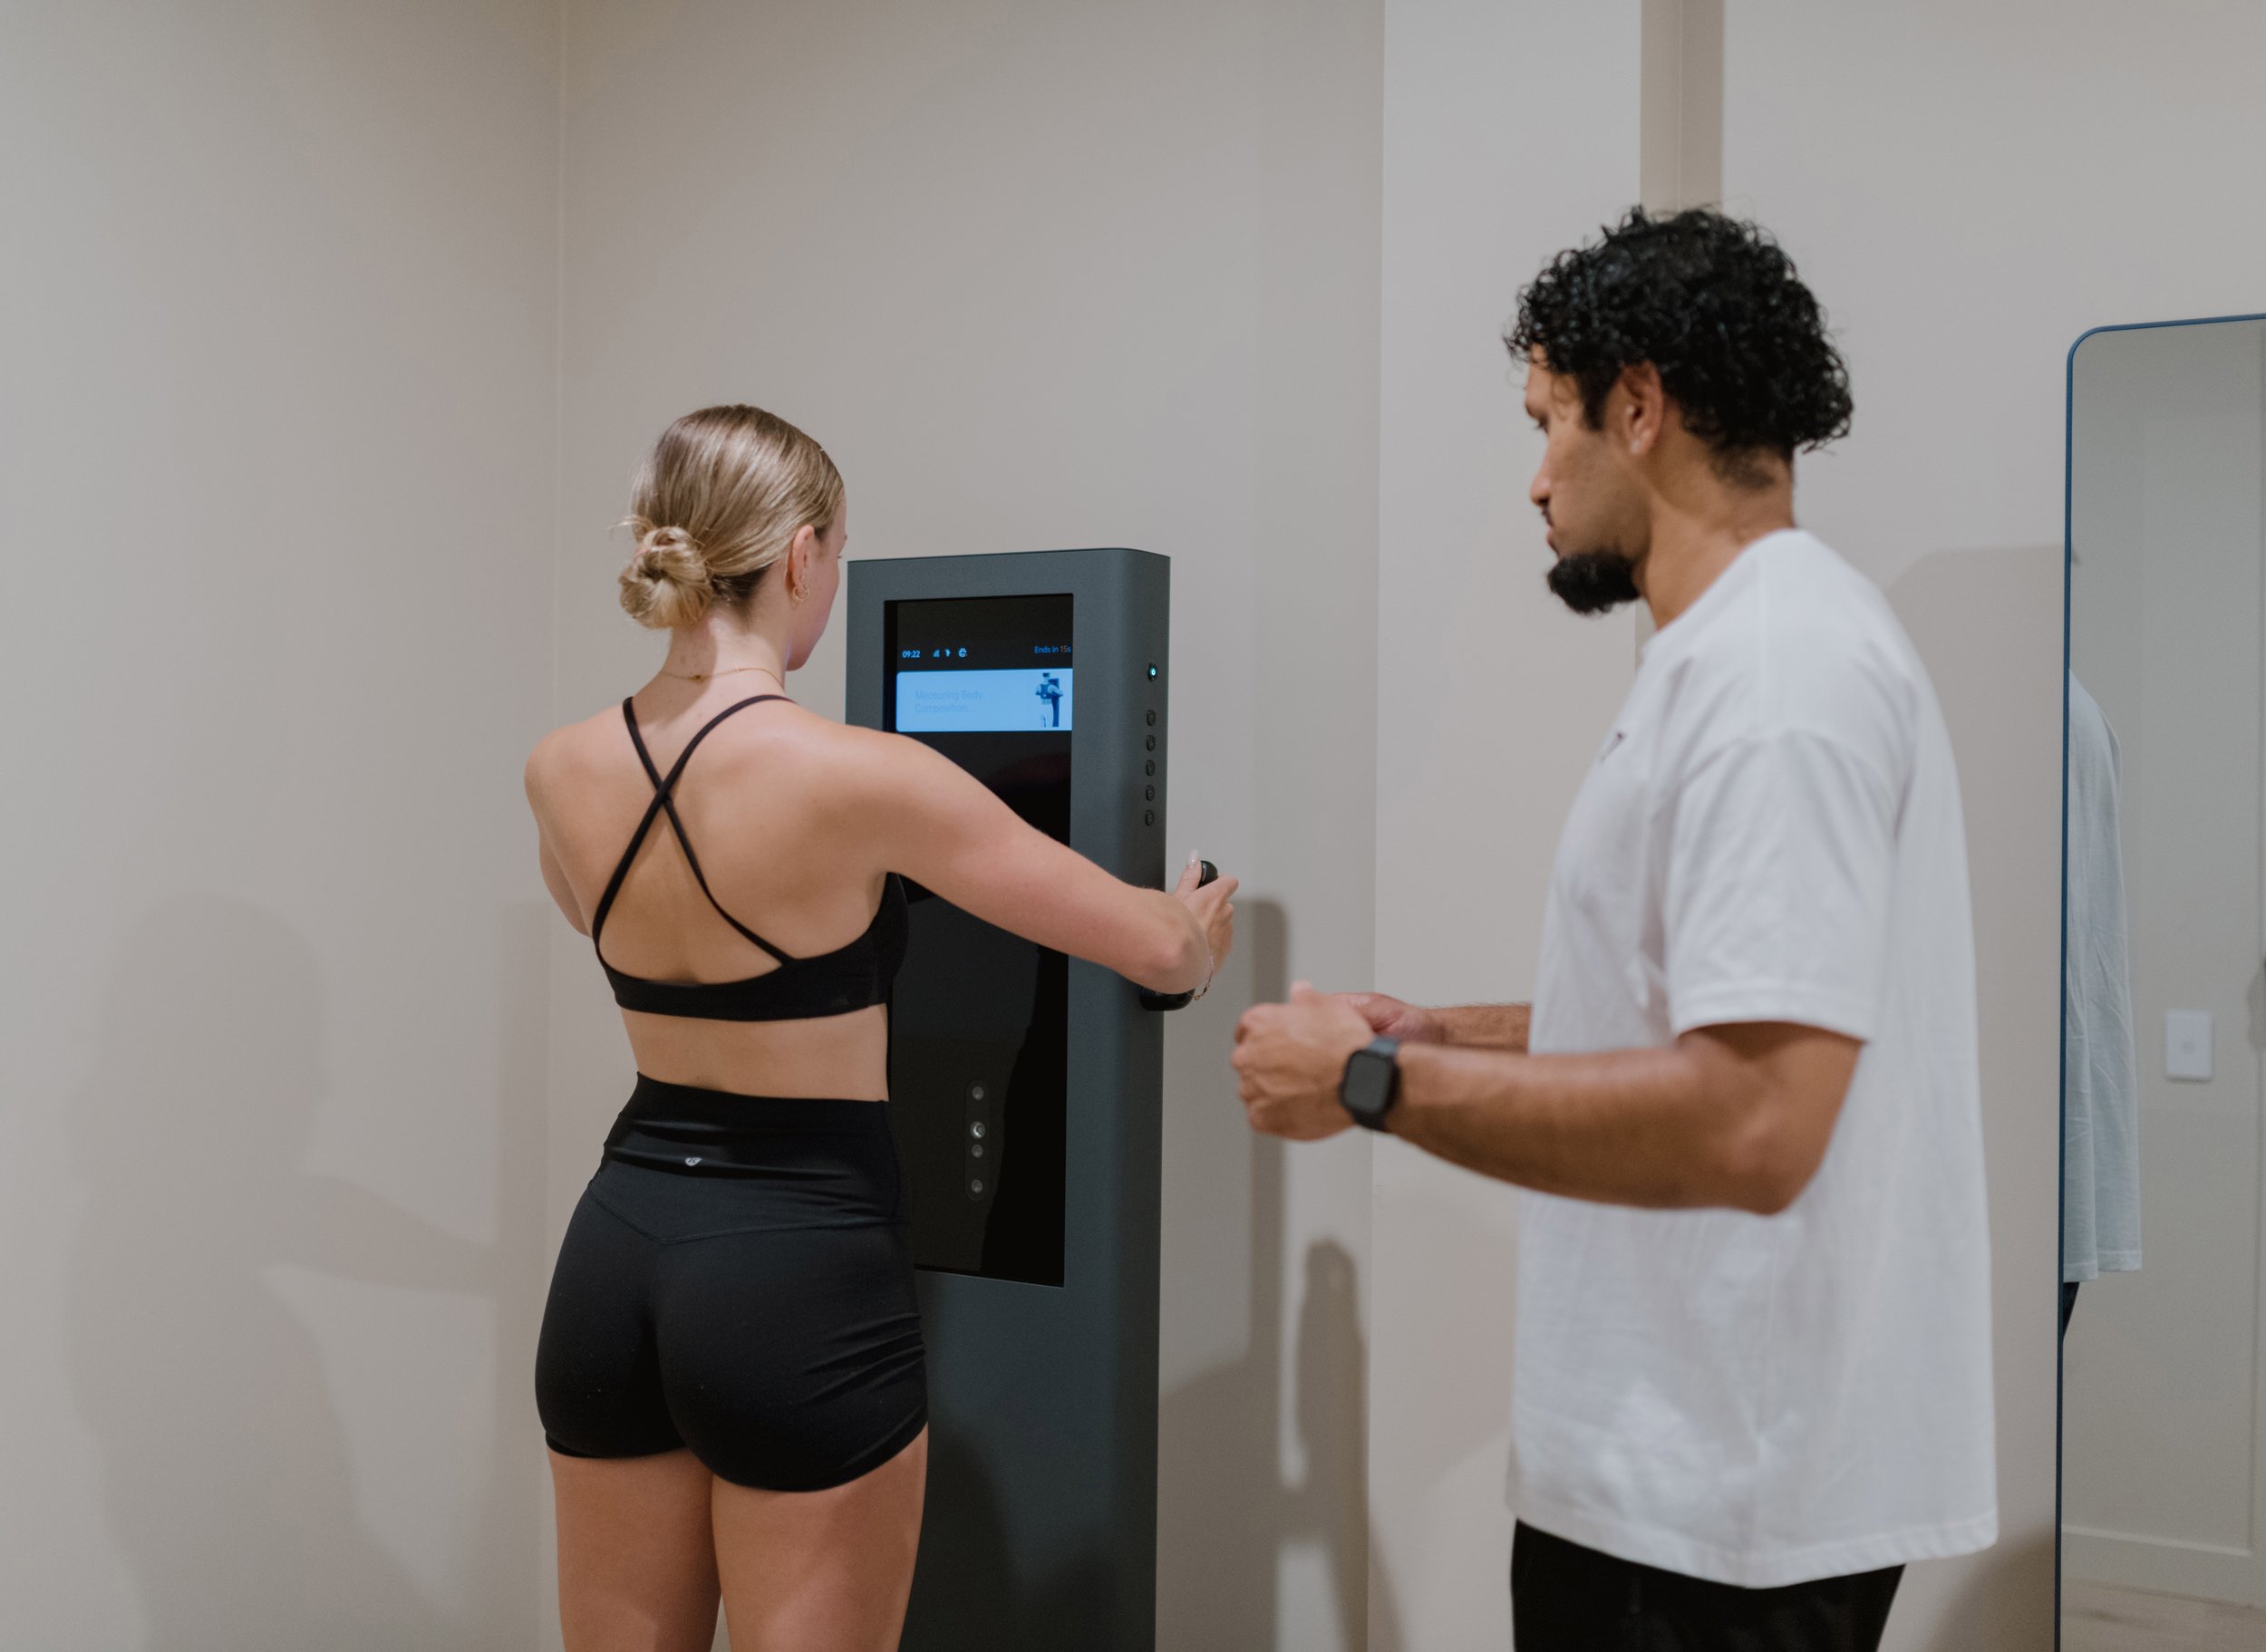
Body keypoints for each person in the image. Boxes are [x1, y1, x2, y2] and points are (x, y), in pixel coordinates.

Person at [1231, 208, 1995, 1652]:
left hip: (1722, 1518)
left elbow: (1755, 1120)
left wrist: (1369, 1085)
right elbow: (1709, 1011)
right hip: (1682, 1487)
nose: (1534, 482)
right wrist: (1442, 1031)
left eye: (1548, 426)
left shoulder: (1778, 674)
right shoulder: (1739, 653)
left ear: (1637, 406)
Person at [524, 405, 1236, 1652]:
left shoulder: (563, 768)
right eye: (838, 559)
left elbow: (608, 918)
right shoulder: (864, 777)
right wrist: (1200, 928)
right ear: (800, 556)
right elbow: (1150, 943)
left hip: (616, 1256)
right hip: (792, 1266)